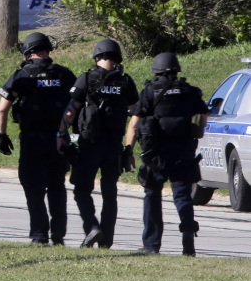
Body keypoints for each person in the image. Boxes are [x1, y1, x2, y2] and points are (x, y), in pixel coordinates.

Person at [56, 39, 138, 249]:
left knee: (82, 190)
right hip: (113, 146)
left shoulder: (86, 78)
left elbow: (71, 109)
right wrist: (129, 148)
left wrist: (61, 134)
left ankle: (92, 228)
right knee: (110, 192)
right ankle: (107, 241)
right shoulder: (126, 82)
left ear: (97, 57)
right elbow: (136, 117)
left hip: (89, 144)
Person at [0, 32, 76, 245]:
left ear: (29, 52)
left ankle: (39, 235)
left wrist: (1, 136)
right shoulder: (65, 75)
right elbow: (77, 108)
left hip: (32, 140)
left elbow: (2, 109)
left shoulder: (22, 75)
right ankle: (58, 232)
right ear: (48, 50)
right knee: (57, 186)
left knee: (33, 188)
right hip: (59, 139)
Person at [125, 52, 207, 256]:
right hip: (183, 152)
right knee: (182, 196)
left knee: (152, 195)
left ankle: (151, 245)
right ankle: (188, 233)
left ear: (156, 71)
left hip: (156, 155)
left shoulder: (150, 91)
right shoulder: (190, 91)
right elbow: (202, 118)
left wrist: (129, 149)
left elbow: (134, 124)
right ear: (176, 70)